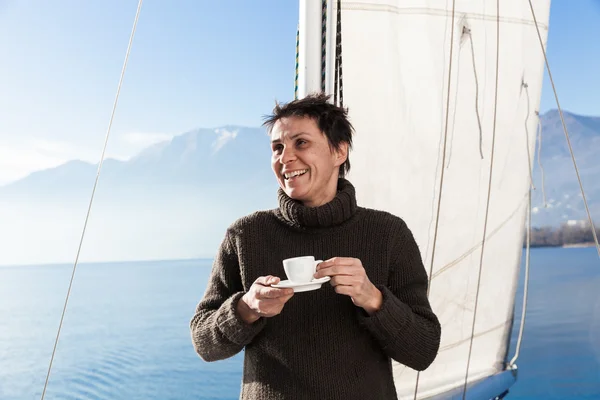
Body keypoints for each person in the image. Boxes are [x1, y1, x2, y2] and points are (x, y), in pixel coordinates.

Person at [190, 93, 441, 399]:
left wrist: (374, 299)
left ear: (339, 151)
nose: (285, 157)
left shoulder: (388, 234)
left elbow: (423, 350)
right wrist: (246, 308)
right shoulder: (245, 235)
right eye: (277, 148)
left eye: (301, 143)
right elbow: (204, 343)